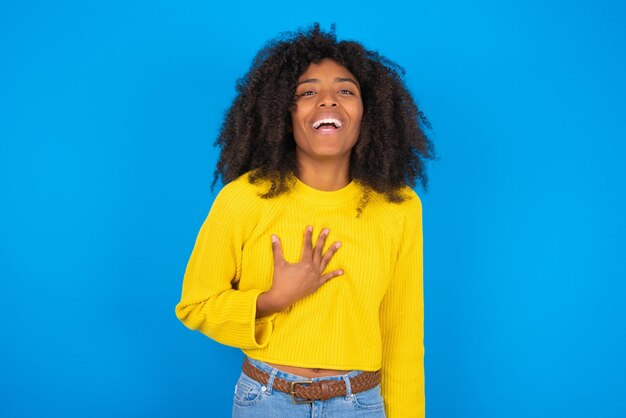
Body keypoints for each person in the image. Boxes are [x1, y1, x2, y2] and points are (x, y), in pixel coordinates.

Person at [175, 23, 435, 417]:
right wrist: (272, 300)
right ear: (284, 111)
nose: (328, 102)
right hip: (266, 400)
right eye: (308, 92)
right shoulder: (245, 199)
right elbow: (195, 305)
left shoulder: (398, 207)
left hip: (360, 404)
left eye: (346, 91)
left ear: (369, 112)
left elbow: (403, 336)